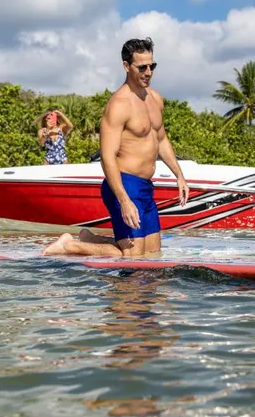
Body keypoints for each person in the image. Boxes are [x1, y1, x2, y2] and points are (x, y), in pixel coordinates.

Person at [42, 37, 189, 257]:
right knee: (132, 255)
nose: (148, 72)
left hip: (145, 186)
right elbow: (107, 156)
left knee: (152, 253)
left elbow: (161, 140)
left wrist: (179, 175)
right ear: (126, 66)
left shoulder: (155, 99)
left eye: (152, 66)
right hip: (124, 183)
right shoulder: (119, 105)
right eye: (142, 67)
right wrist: (124, 199)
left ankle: (89, 238)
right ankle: (69, 246)